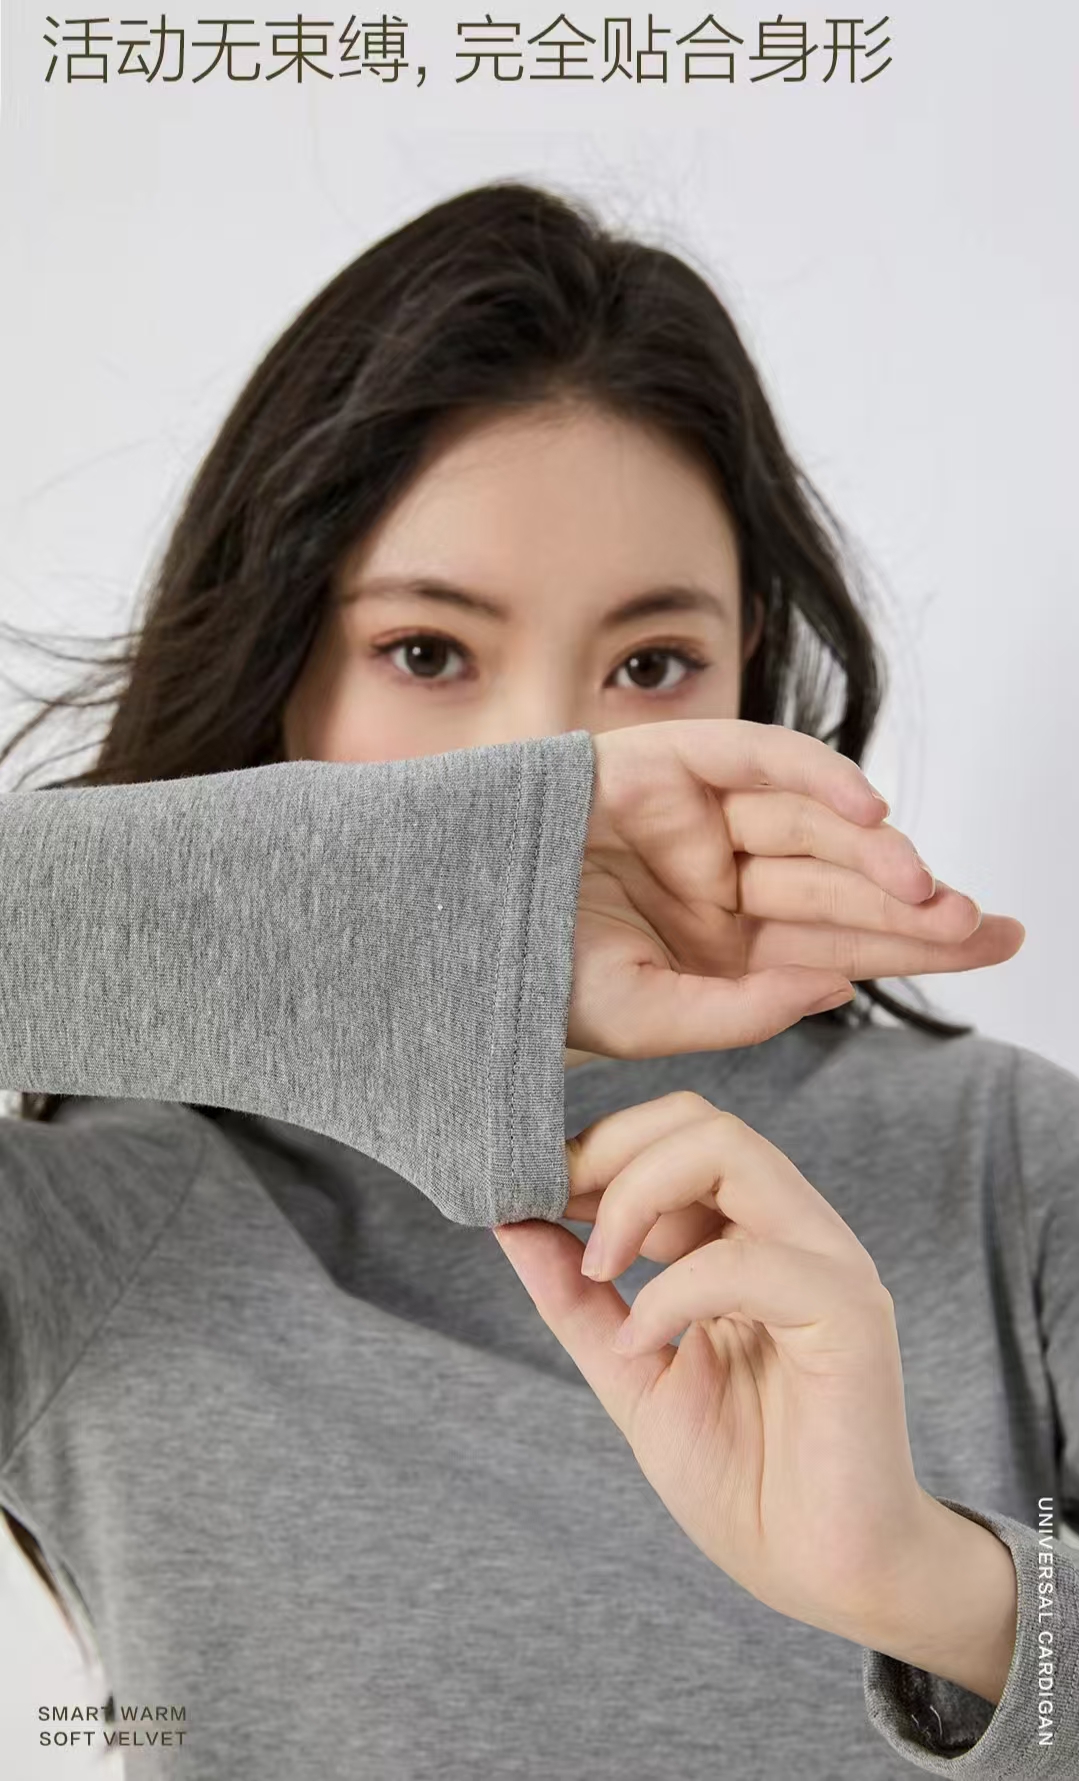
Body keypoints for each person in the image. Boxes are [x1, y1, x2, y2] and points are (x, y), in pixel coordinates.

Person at [0, 179, 1074, 1779]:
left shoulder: (1007, 1163)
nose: (552, 771)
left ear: (751, 661)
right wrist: (427, 914)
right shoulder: (96, 1227)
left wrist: (945, 1593)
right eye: (427, 652)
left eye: (651, 666)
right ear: (279, 660)